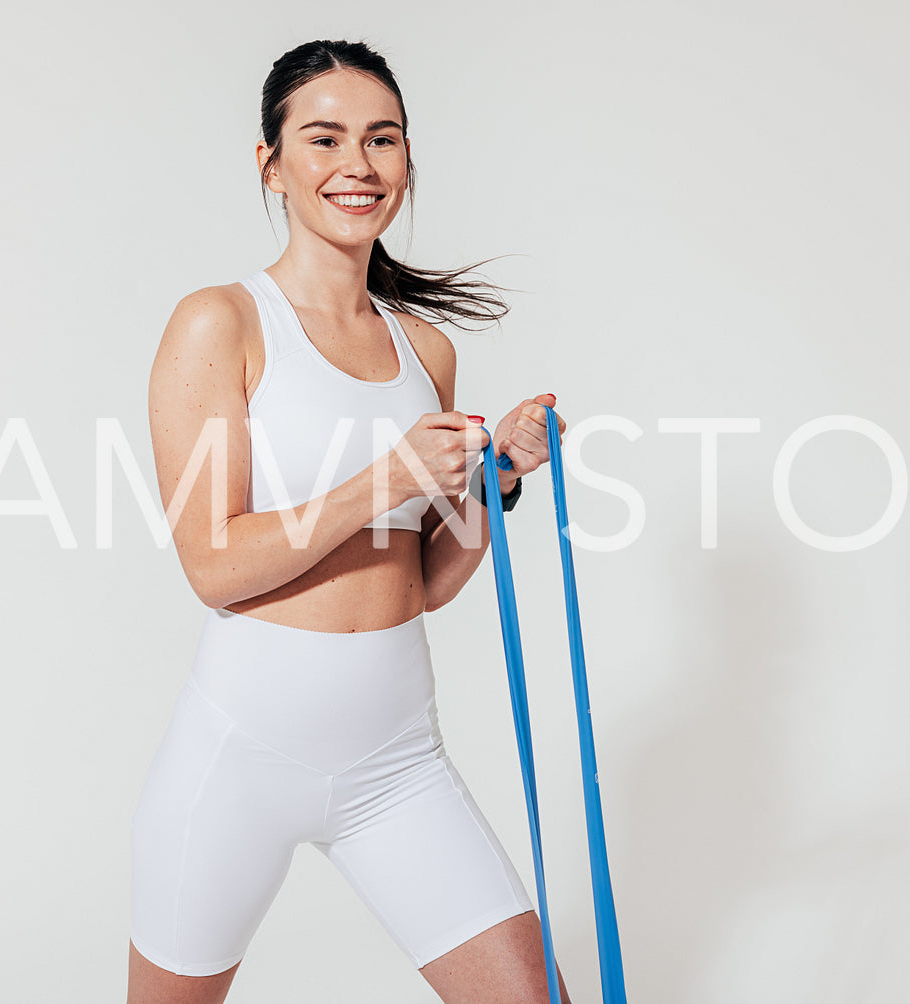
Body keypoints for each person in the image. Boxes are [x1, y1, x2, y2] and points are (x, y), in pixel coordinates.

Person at [127, 39, 571, 1004]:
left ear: (408, 159)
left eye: (382, 139)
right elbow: (212, 565)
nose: (357, 166)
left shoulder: (425, 349)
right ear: (270, 163)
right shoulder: (222, 323)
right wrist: (387, 477)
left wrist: (493, 481)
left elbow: (422, 584)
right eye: (322, 138)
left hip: (396, 761)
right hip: (239, 758)